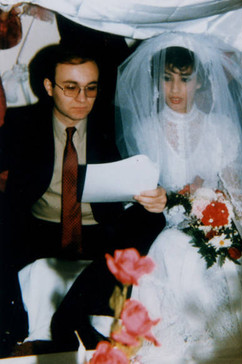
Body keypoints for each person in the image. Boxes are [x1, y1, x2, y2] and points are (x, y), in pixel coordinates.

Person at [115, 32, 242, 362]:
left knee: (229, 259)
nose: (174, 89)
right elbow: (142, 196)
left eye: (184, 80)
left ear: (199, 82)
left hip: (219, 223)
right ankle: (187, 332)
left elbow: (236, 195)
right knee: (173, 248)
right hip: (167, 226)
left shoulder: (221, 128)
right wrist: (176, 198)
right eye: (167, 79)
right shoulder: (147, 130)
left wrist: (237, 229)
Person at [0, 44, 166, 355]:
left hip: (100, 232)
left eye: (91, 88)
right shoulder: (22, 124)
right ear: (49, 87)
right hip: (40, 229)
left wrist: (156, 196)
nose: (82, 99)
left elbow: (146, 174)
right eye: (71, 88)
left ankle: (74, 311)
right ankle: (11, 332)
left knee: (152, 217)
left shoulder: (116, 122)